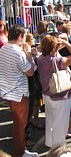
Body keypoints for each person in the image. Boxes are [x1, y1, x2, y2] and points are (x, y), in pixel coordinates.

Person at [37, 34, 71, 147]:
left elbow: (50, 54)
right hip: (60, 95)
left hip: (47, 93)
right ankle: (58, 148)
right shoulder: (58, 61)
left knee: (50, 121)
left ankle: (50, 143)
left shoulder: (40, 58)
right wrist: (67, 44)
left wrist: (56, 48)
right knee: (60, 124)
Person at [0, 25, 37, 157]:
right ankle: (19, 152)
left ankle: (21, 149)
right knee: (20, 125)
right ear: (20, 36)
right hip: (19, 93)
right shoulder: (18, 52)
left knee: (18, 124)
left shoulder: (3, 49)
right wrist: (28, 53)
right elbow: (30, 72)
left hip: (7, 91)